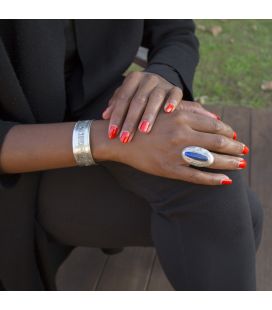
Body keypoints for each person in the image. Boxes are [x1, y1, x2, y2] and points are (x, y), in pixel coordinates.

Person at [0, 20, 263, 290]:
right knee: (237, 217)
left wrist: (163, 75)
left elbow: (176, 30)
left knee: (216, 187)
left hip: (104, 105)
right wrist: (106, 140)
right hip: (18, 165)